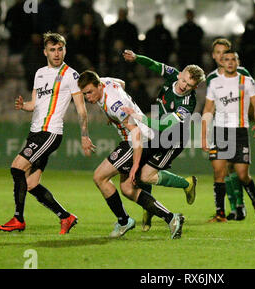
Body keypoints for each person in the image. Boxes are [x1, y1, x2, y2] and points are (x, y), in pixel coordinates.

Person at [0, 32, 96, 235]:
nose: (57, 53)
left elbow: (81, 109)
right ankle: (65, 217)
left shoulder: (71, 75)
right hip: (35, 132)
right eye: (52, 49)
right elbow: (35, 104)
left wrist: (84, 135)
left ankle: (18, 219)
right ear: (45, 52)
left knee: (17, 168)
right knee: (31, 183)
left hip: (50, 133)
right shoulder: (40, 73)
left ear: (65, 50)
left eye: (60, 49)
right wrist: (24, 105)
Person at [77, 70, 185, 239]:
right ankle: (172, 218)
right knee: (127, 188)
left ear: (99, 86)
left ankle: (123, 221)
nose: (88, 97)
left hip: (136, 139)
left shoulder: (115, 105)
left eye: (90, 92)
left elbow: (134, 133)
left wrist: (135, 165)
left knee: (99, 177)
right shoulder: (105, 81)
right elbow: (121, 83)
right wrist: (112, 117)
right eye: (84, 94)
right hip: (144, 136)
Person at [122, 49, 204, 231]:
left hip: (173, 139)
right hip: (156, 132)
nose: (183, 86)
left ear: (195, 87)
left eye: (189, 85)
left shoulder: (188, 104)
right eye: (184, 80)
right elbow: (153, 64)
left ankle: (187, 183)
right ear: (181, 74)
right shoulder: (172, 75)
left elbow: (165, 124)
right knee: (140, 169)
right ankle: (148, 208)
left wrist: (139, 117)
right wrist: (136, 58)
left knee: (146, 175)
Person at [206, 38, 255, 221]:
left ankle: (239, 206)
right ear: (214, 56)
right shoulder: (212, 78)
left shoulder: (242, 74)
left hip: (239, 126)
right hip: (220, 126)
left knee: (236, 169)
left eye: (224, 53)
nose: (221, 57)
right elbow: (209, 106)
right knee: (223, 169)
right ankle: (232, 208)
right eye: (218, 53)